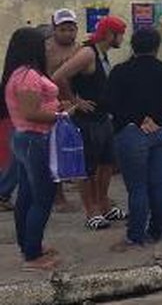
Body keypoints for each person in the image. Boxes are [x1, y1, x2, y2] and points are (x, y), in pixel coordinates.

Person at [105, 28, 162, 250]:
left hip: (132, 131)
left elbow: (110, 104)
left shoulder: (120, 71)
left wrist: (138, 119)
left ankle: (135, 236)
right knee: (159, 182)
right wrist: (157, 113)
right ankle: (157, 229)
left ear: (132, 46)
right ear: (157, 47)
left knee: (137, 187)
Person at [3, 27, 76, 270]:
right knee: (42, 197)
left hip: (27, 138)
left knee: (26, 195)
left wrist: (55, 106)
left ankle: (29, 245)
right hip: (35, 139)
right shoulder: (28, 77)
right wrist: (61, 114)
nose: (48, 47)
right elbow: (31, 113)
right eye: (44, 43)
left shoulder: (20, 74)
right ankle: (33, 255)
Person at [52, 14, 128, 231]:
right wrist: (74, 100)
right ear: (110, 34)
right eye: (120, 34)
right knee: (86, 168)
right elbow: (58, 76)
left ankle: (103, 204)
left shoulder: (102, 55)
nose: (122, 39)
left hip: (102, 118)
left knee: (106, 165)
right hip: (86, 121)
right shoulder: (88, 53)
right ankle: (91, 211)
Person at [44, 9, 81, 212]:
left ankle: (86, 191)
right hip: (53, 106)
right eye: (63, 29)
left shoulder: (80, 49)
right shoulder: (45, 50)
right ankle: (58, 196)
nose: (68, 33)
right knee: (56, 151)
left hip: (76, 104)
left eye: (71, 29)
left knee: (76, 149)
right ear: (54, 29)